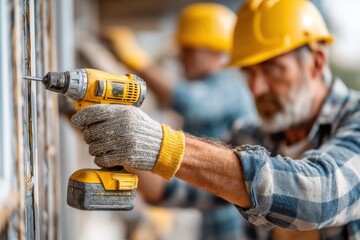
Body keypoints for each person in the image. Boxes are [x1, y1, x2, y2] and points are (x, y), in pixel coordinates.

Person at [71, 0, 360, 239]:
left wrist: (163, 146)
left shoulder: (355, 120)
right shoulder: (256, 137)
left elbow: (320, 195)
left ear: (317, 62)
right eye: (249, 73)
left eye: (272, 69)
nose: (256, 88)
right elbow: (170, 188)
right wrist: (99, 123)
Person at [104, 3, 256, 239]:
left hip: (232, 222)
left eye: (189, 49)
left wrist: (136, 60)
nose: (181, 57)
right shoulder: (213, 85)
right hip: (210, 206)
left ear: (217, 53)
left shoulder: (230, 87)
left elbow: (186, 100)